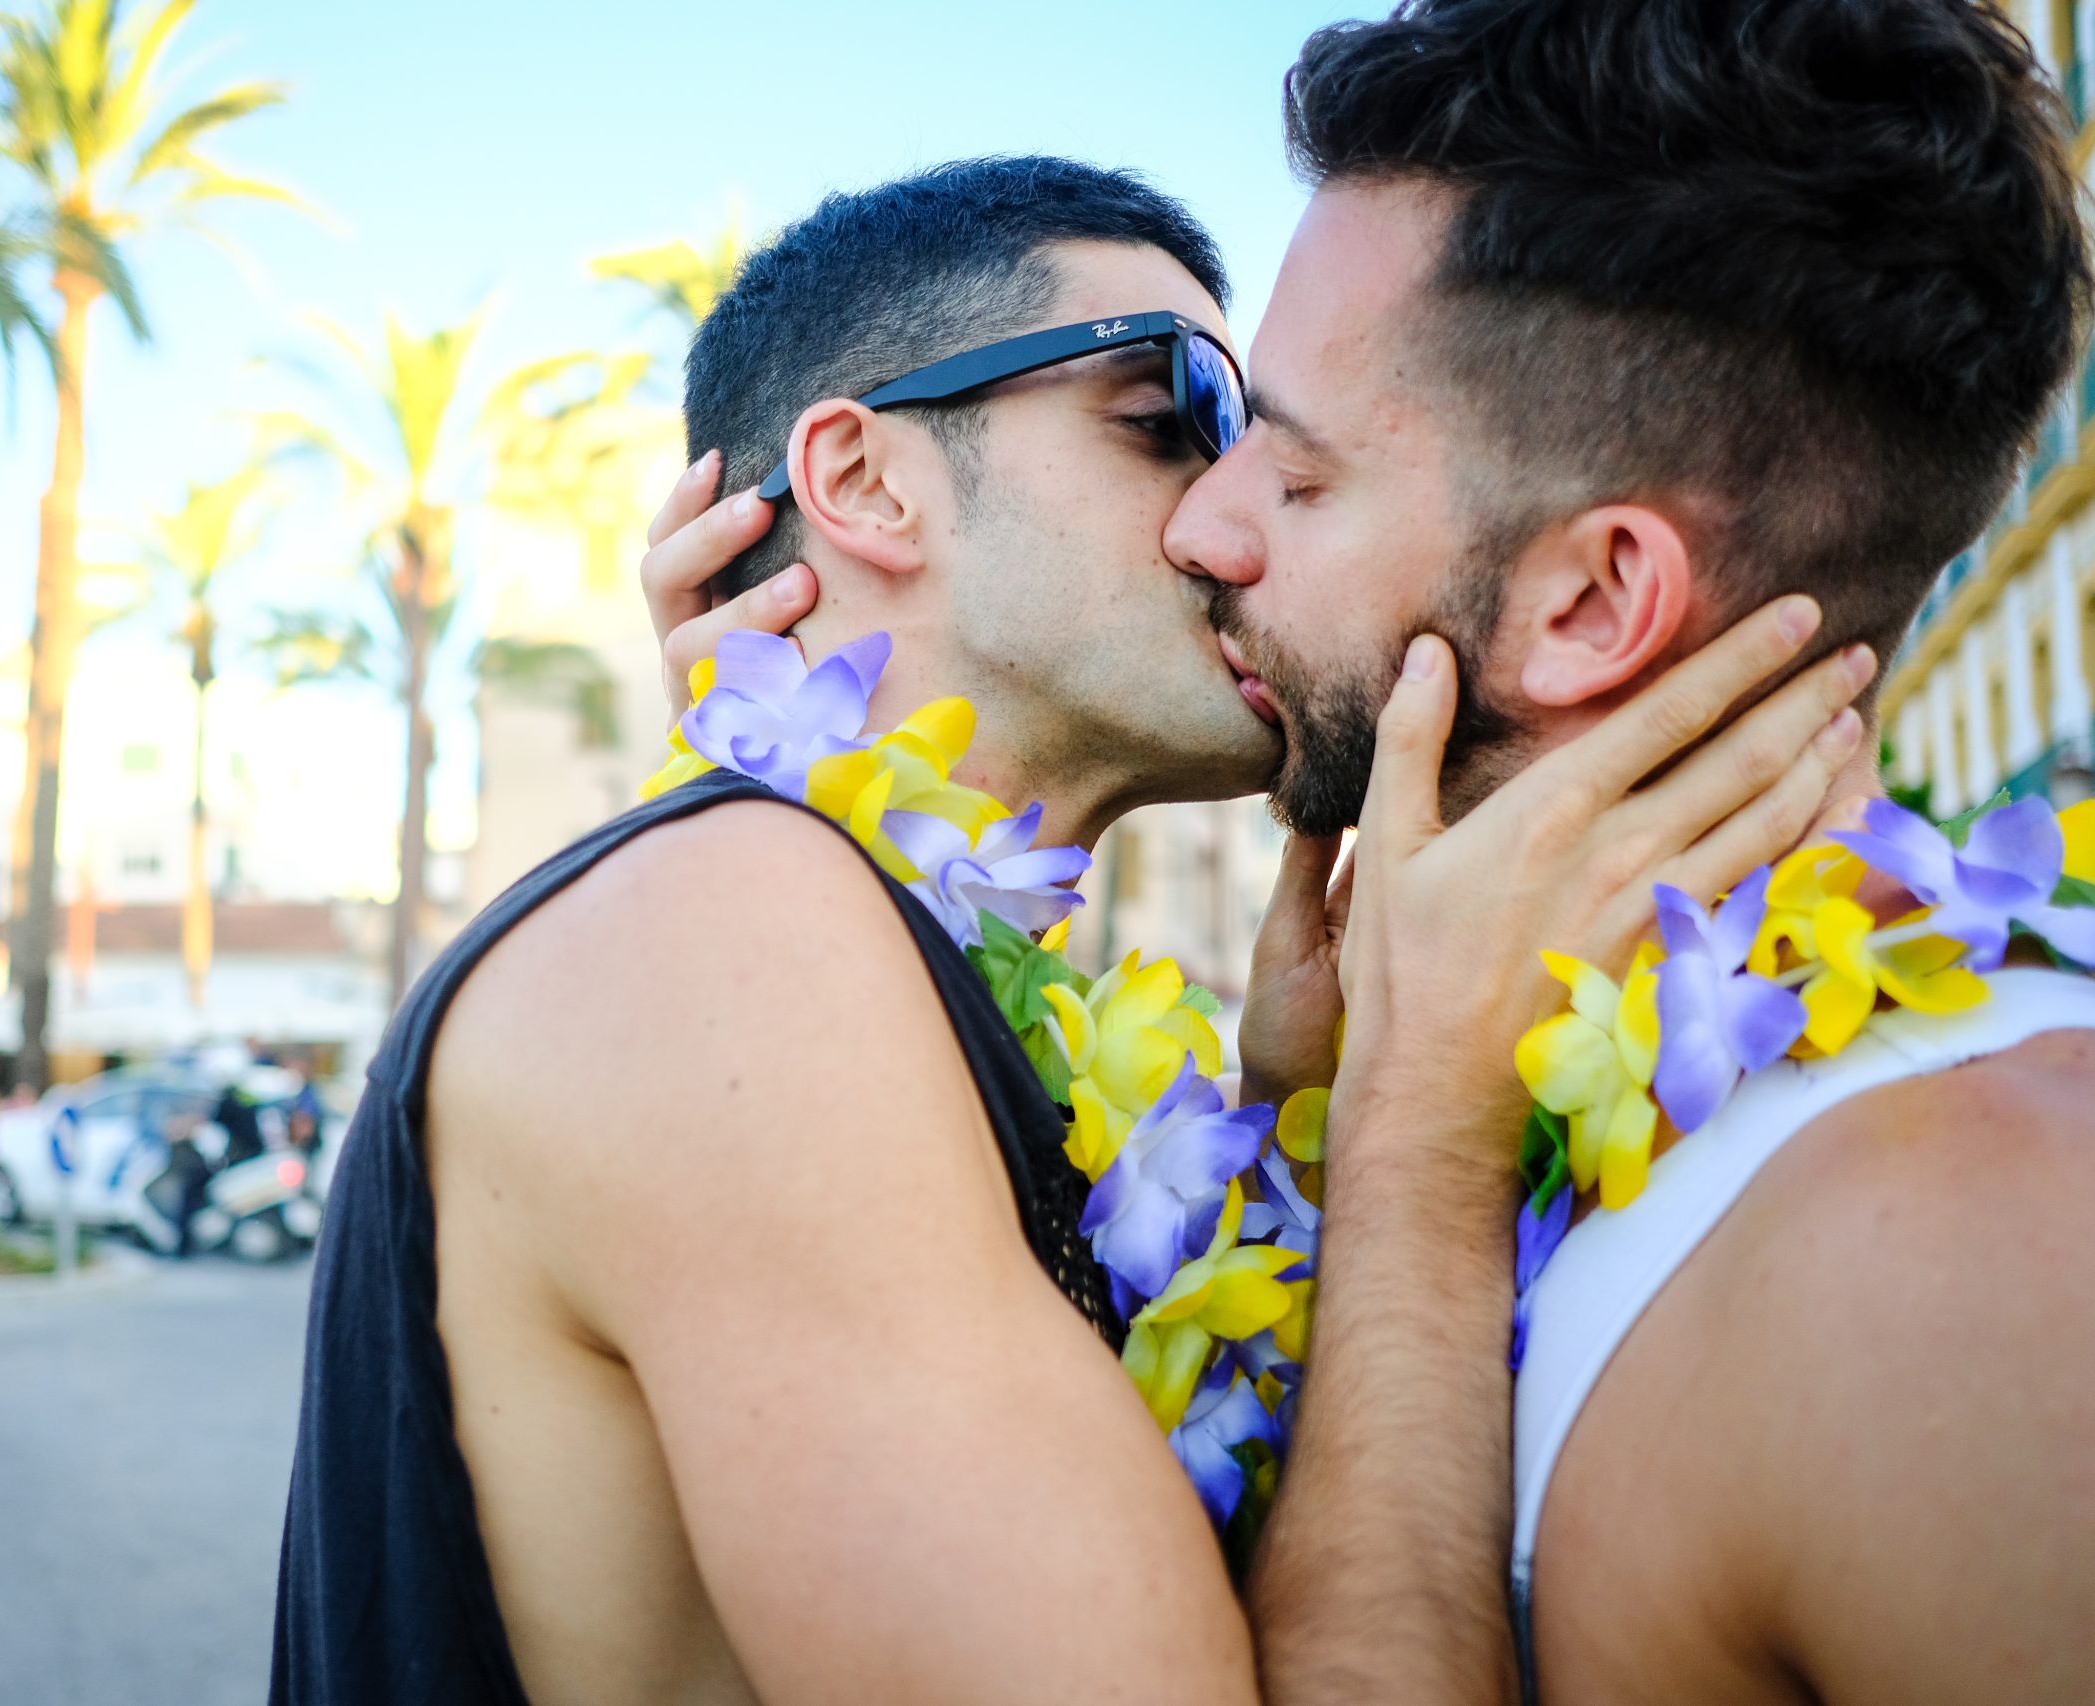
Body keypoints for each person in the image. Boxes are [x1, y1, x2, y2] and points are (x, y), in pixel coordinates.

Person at [272, 154, 1869, 1704]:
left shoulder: (860, 957)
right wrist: (1422, 1132)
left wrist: (1298, 1114)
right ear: (866, 483)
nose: (1233, 512)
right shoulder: (728, 940)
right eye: (1175, 414)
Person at [657, 4, 2095, 1699]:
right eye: (1184, 424)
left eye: (1296, 470)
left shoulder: (1978, 1251)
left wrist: (1417, 1146)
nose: (1205, 523)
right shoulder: (1510, 1107)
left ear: (1592, 603)